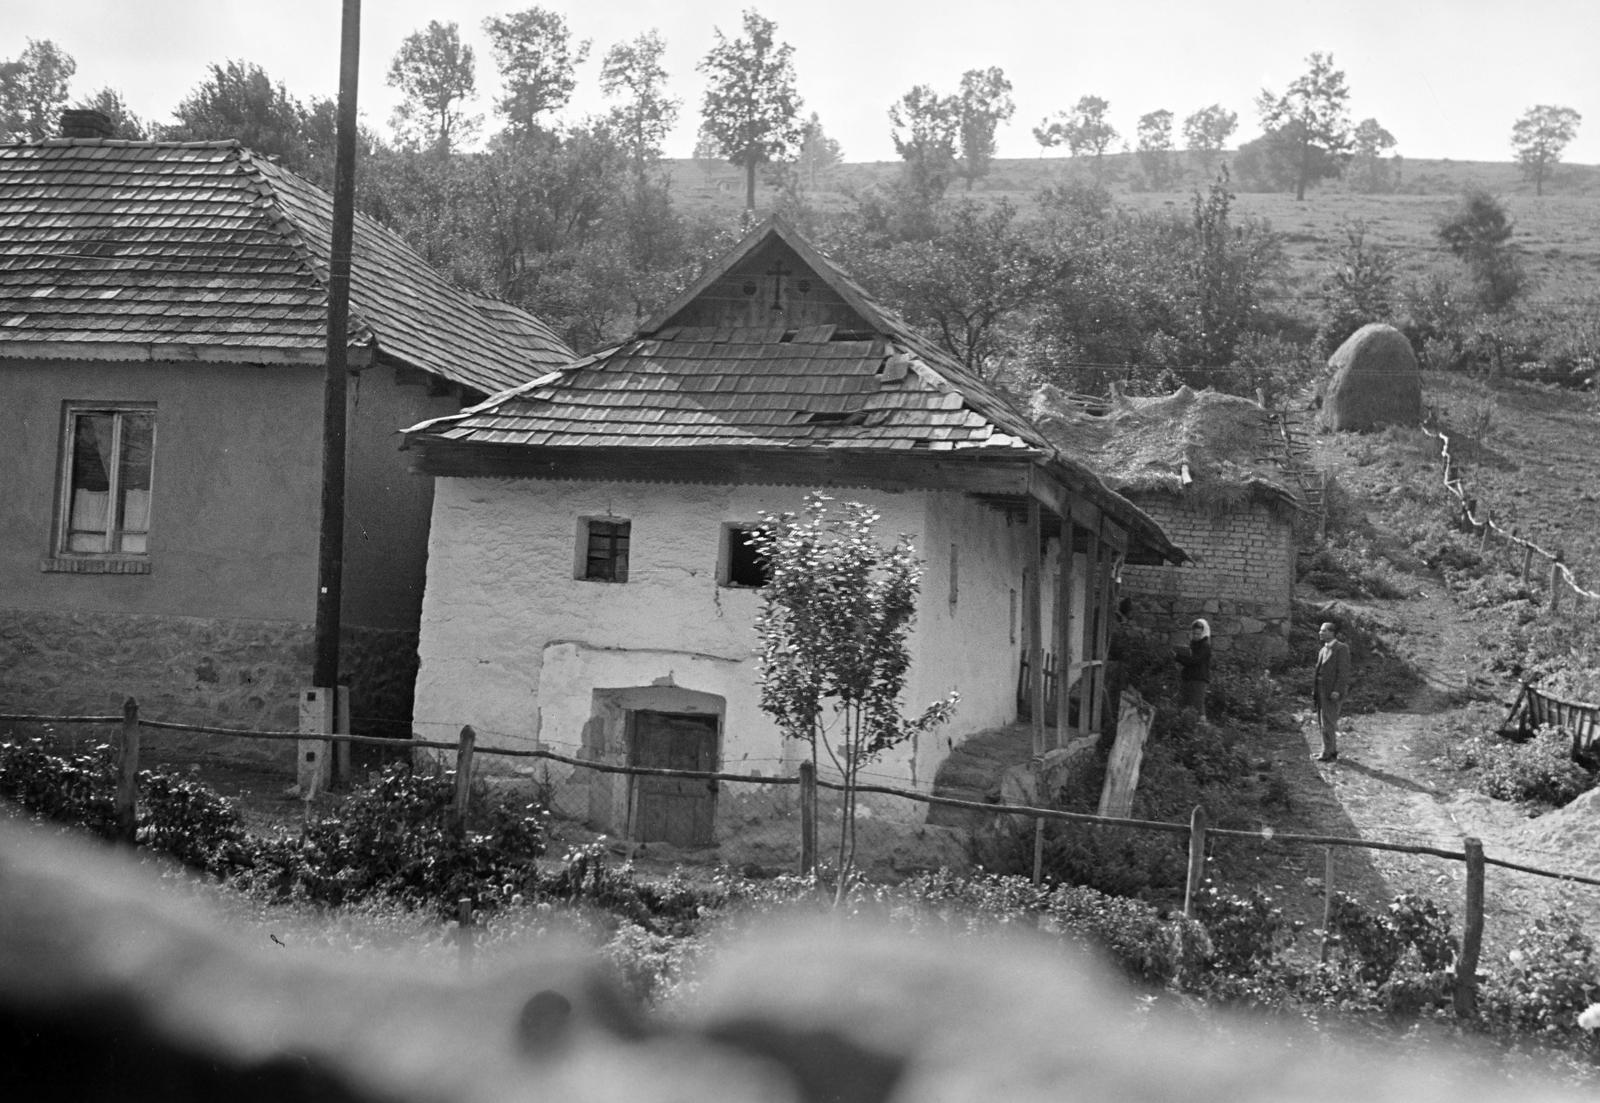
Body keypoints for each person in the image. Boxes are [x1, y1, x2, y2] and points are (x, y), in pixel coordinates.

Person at [1312, 621, 1351, 762]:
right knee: (1323, 722)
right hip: (1321, 691)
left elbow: (1343, 672)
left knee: (1328, 722)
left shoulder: (1341, 648)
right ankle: (1331, 750)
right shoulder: (1323, 650)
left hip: (1332, 692)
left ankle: (1326, 752)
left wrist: (1337, 690)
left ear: (1332, 632)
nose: (1320, 633)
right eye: (1320, 631)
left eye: (1323, 631)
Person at [1174, 618, 1212, 719]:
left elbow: (1194, 660)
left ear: (1204, 633)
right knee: (1185, 705)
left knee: (1198, 707)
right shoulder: (1193, 645)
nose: (1196, 636)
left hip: (1199, 680)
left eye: (1198, 634)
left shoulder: (1205, 646)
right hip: (1189, 678)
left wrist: (1177, 657)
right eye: (1194, 633)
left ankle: (1202, 730)